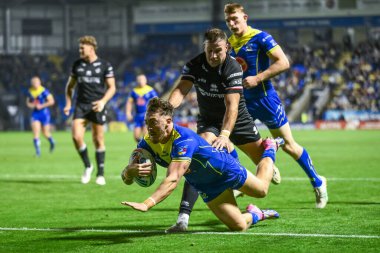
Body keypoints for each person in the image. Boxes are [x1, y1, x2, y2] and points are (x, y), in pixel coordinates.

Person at [167, 28, 282, 232]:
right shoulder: (195, 64)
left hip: (238, 121)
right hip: (210, 121)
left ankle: (270, 149)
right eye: (209, 50)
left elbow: (232, 107)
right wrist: (167, 111)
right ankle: (183, 218)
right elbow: (181, 89)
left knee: (263, 171)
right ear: (204, 48)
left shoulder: (233, 67)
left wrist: (225, 134)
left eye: (218, 51)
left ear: (227, 48)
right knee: (196, 155)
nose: (212, 56)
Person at [121, 97, 282, 231]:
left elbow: (173, 179)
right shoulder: (146, 143)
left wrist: (147, 204)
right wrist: (129, 172)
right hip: (205, 186)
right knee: (238, 226)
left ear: (168, 121)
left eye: (153, 122)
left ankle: (270, 148)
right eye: (147, 122)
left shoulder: (183, 139)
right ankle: (256, 213)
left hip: (224, 170)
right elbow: (126, 179)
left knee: (261, 190)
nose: (149, 128)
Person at [224, 3, 328, 208]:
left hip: (265, 99)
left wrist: (258, 78)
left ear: (245, 17)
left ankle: (318, 181)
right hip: (243, 101)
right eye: (228, 21)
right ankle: (254, 173)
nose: (232, 23)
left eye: (235, 19)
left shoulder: (260, 37)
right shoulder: (229, 43)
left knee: (288, 145)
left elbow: (283, 62)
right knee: (227, 137)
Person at [63, 35, 116, 186]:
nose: (80, 50)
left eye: (82, 47)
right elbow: (70, 86)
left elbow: (112, 87)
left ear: (91, 48)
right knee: (76, 137)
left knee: (98, 139)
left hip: (97, 105)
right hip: (81, 105)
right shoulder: (77, 65)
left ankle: (100, 173)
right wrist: (68, 104)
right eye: (80, 47)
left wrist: (103, 102)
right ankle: (88, 166)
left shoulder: (105, 65)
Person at [26, 76, 55, 157]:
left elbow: (52, 101)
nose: (35, 84)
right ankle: (38, 152)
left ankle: (52, 141)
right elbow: (28, 103)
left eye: (36, 82)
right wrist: (33, 105)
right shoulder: (30, 91)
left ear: (39, 83)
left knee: (45, 133)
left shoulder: (44, 91)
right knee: (36, 132)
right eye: (33, 83)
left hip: (44, 113)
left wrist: (42, 106)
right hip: (35, 113)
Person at [125, 74, 158, 142]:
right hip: (137, 115)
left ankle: (147, 150)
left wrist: (155, 112)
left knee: (146, 135)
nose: (141, 81)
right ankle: (143, 147)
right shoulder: (134, 91)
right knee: (136, 137)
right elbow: (129, 102)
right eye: (139, 80)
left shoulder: (150, 90)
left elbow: (156, 102)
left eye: (142, 79)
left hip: (147, 115)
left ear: (145, 80)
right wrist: (128, 113)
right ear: (137, 81)